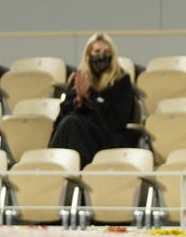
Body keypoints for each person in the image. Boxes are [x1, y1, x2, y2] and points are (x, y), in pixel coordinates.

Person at [48, 32, 138, 167]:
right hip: (78, 133)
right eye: (97, 51)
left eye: (106, 52)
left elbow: (117, 120)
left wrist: (90, 96)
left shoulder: (121, 82)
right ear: (88, 55)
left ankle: (57, 168)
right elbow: (63, 113)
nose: (101, 56)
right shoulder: (77, 79)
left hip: (106, 137)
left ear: (113, 56)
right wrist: (78, 99)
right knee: (68, 122)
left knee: (72, 123)